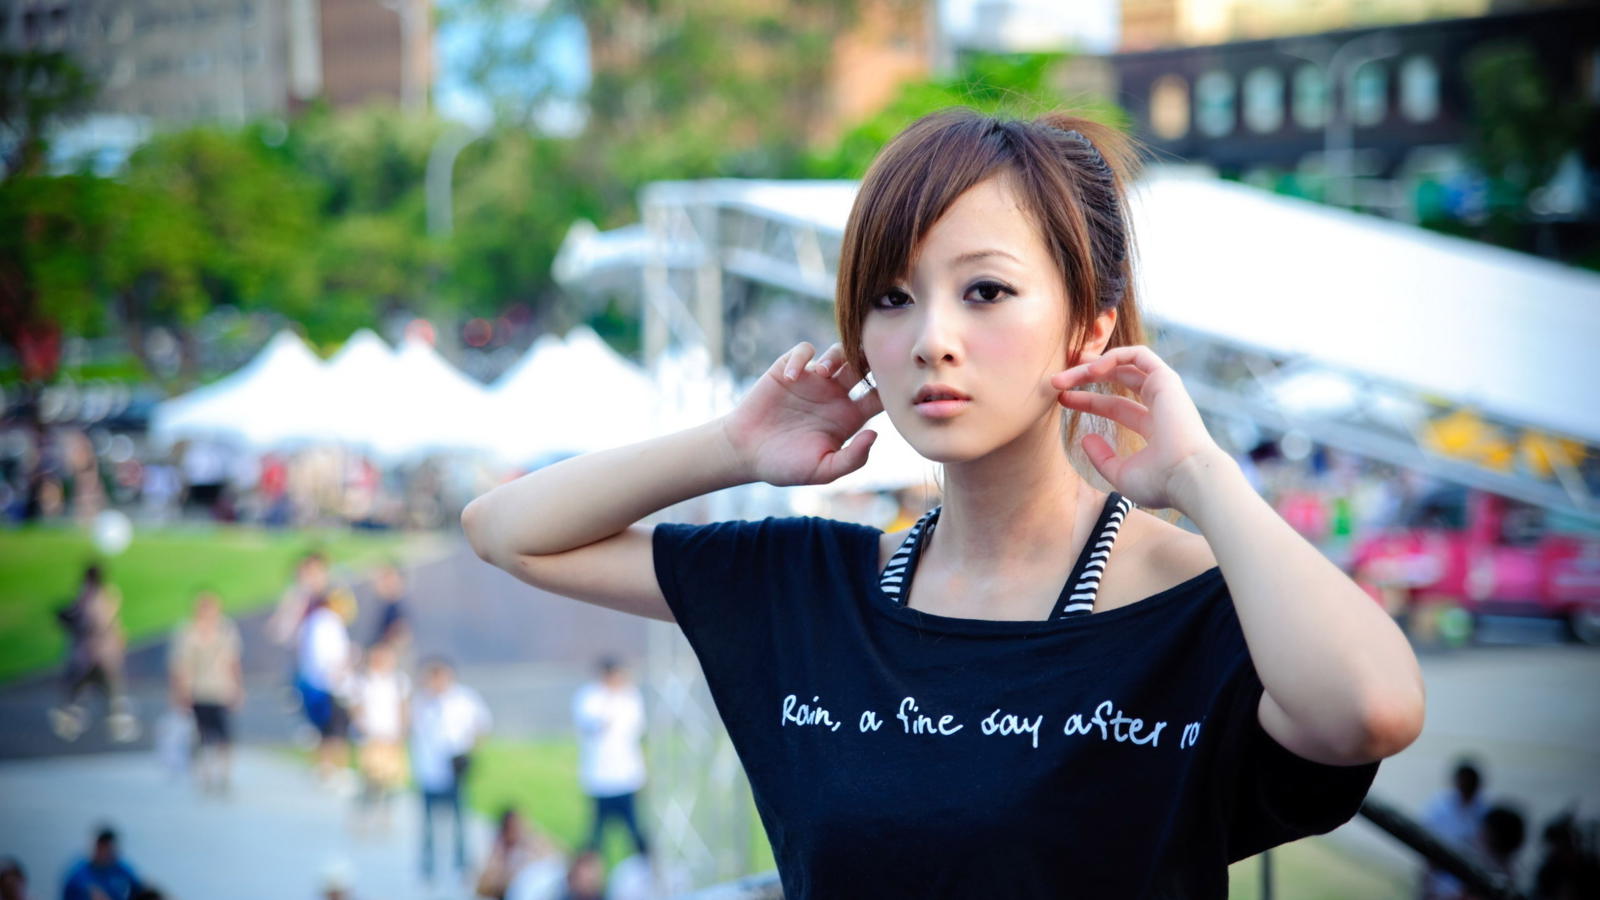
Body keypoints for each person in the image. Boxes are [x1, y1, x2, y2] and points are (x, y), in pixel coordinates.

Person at [460, 108, 1426, 897]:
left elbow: (1371, 710)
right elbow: (506, 531)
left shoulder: (1194, 605)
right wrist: (732, 446)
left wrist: (1202, 478)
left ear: (1090, 327)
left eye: (986, 291)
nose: (932, 338)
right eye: (892, 297)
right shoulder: (814, 591)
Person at [411, 657, 492, 885]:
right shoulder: (420, 702)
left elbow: (482, 725)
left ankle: (461, 864)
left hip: (455, 771)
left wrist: (470, 751)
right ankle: (428, 867)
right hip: (429, 770)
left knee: (459, 821)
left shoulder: (464, 699)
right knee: (428, 824)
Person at [50, 563, 138, 743]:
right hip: (104, 655)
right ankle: (117, 725)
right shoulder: (109, 594)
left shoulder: (90, 596)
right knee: (107, 694)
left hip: (90, 656)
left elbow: (86, 622)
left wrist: (67, 618)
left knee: (83, 691)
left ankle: (74, 724)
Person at [167, 588, 244, 794]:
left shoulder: (226, 629)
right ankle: (205, 776)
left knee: (224, 737)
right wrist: (180, 693)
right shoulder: (187, 632)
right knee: (201, 737)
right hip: (198, 691)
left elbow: (233, 661)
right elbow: (180, 666)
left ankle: (224, 776)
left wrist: (238, 687)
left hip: (221, 689)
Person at [571, 656, 650, 858]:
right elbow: (594, 725)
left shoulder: (631, 696)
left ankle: (643, 869)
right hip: (600, 779)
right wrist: (611, 698)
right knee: (597, 836)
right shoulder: (589, 697)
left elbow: (638, 731)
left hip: (627, 777)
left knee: (635, 831)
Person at [348, 640, 410, 832]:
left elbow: (403, 708)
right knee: (370, 782)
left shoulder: (399, 681)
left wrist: (402, 731)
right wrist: (366, 730)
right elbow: (356, 709)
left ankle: (386, 817)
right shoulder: (362, 681)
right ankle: (363, 817)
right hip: (371, 738)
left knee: (391, 782)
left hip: (392, 738)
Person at [296, 591, 355, 784]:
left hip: (318, 682)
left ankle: (325, 769)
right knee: (336, 731)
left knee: (325, 730)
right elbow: (328, 656)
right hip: (331, 684)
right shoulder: (327, 622)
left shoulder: (313, 622)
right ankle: (335, 770)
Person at [1421, 758, 1489, 899]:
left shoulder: (1484, 812)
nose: (1464, 787)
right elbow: (1427, 845)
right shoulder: (1439, 806)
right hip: (1438, 875)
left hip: (1467, 882)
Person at [474, 808, 562, 900]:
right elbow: (484, 886)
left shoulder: (535, 842)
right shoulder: (499, 853)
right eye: (513, 828)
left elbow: (559, 857)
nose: (518, 832)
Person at [61, 826, 143, 900]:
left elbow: (139, 888)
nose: (108, 852)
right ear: (97, 847)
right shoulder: (79, 874)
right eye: (104, 848)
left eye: (111, 849)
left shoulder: (121, 868)